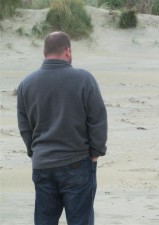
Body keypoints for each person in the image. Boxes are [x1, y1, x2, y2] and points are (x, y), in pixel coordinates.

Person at [17, 31, 108, 225]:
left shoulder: (26, 83)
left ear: (44, 52)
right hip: (77, 162)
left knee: (44, 221)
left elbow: (24, 127)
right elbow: (98, 119)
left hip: (43, 163)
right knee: (80, 220)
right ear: (68, 51)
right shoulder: (84, 79)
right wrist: (96, 152)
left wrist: (35, 152)